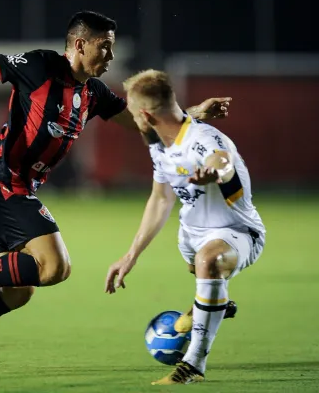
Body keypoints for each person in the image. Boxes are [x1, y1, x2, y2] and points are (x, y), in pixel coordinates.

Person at [0, 11, 231, 370]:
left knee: (18, 291)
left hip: (15, 185)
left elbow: (142, 123)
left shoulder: (94, 92)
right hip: (1, 179)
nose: (110, 57)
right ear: (80, 44)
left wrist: (195, 114)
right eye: (105, 47)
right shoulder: (39, 66)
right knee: (54, 267)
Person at [104, 69, 266, 385]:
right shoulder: (158, 142)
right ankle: (211, 307)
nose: (131, 118)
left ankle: (193, 365)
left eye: (133, 111)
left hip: (237, 231)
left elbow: (222, 158)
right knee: (204, 271)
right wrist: (130, 255)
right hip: (190, 236)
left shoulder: (204, 140)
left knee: (210, 262)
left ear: (145, 114)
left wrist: (213, 171)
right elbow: (160, 199)